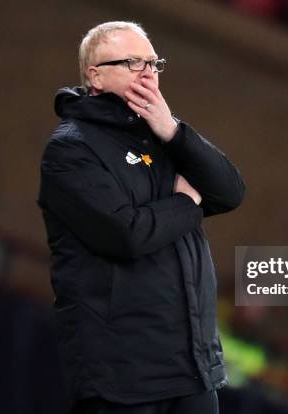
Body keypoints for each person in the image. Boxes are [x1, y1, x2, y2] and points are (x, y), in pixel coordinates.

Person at [37, 21, 245, 414]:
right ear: (95, 75)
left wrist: (172, 129)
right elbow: (125, 234)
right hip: (123, 377)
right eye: (133, 62)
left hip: (194, 368)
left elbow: (230, 191)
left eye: (153, 62)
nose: (148, 72)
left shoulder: (162, 135)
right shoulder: (70, 150)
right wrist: (186, 204)